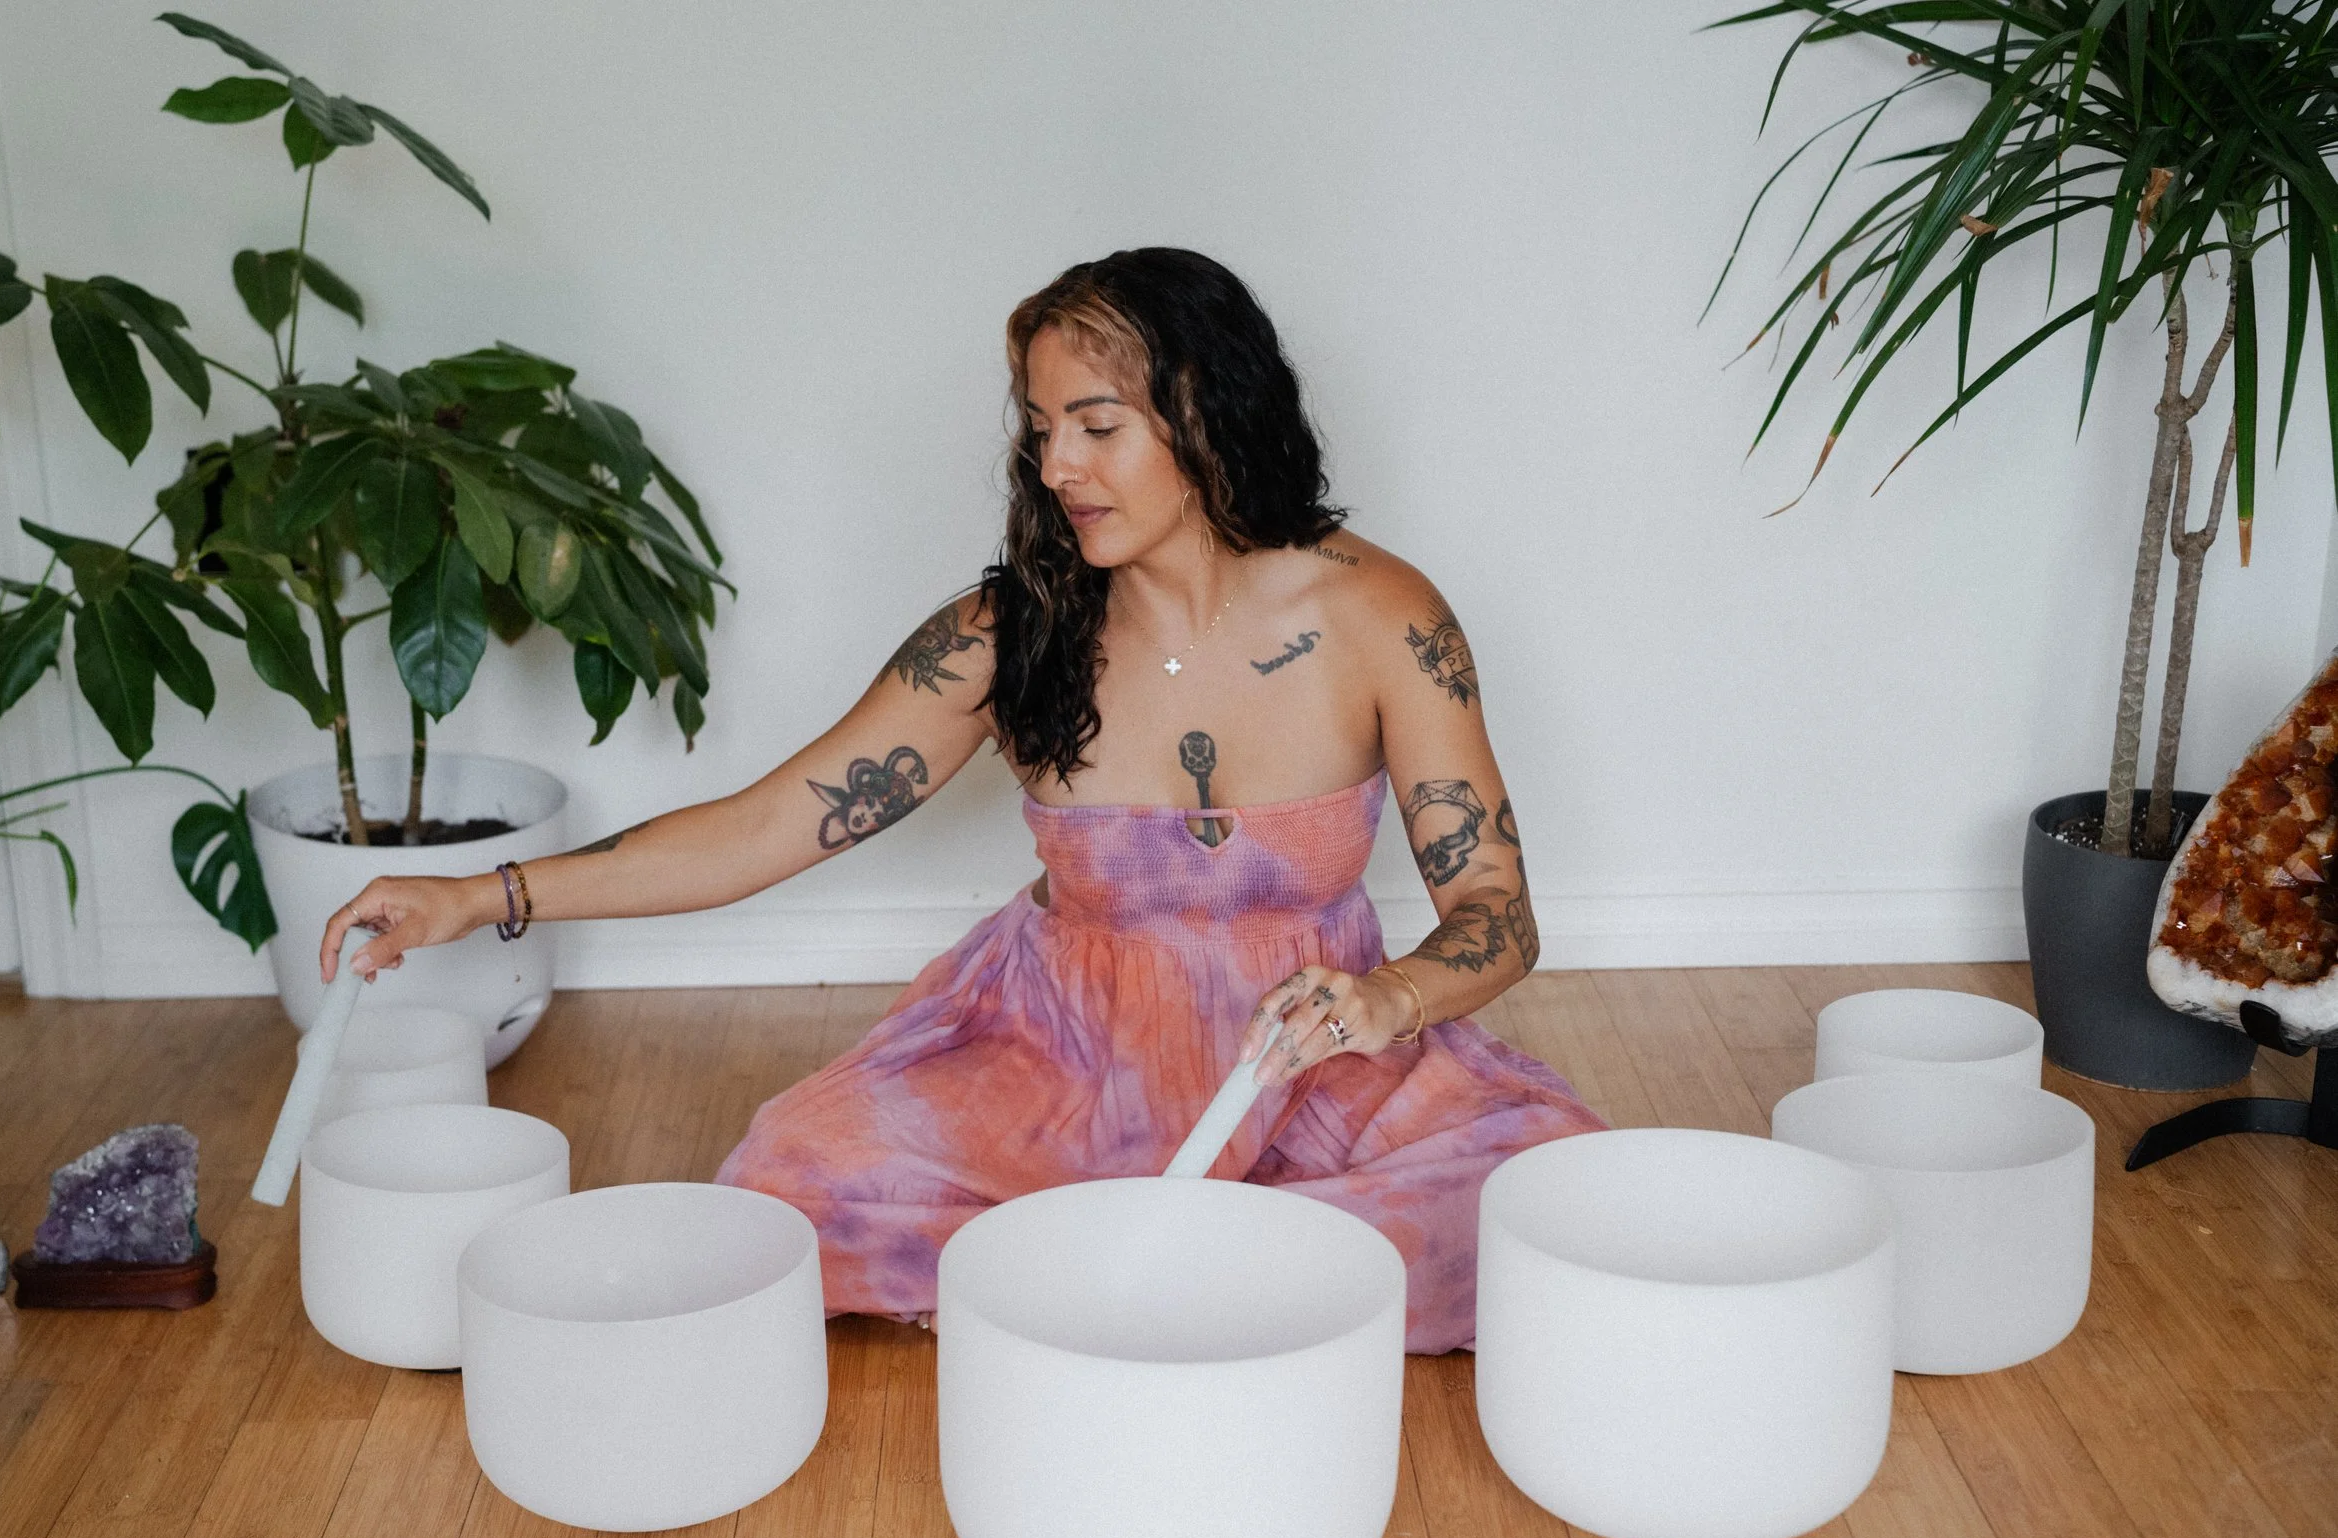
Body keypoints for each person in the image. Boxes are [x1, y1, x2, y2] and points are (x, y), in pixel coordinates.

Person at [321, 247, 1603, 1352]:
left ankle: (1150, 1275)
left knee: (1534, 1201)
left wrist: (1391, 998)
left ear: (1205, 410)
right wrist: (479, 894)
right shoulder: (1004, 636)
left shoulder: (1381, 615)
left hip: (1319, 1063)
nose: (1058, 464)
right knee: (793, 1178)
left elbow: (1496, 910)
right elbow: (766, 826)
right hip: (1058, 1059)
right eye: (1040, 428)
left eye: (1096, 425)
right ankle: (1209, 1280)